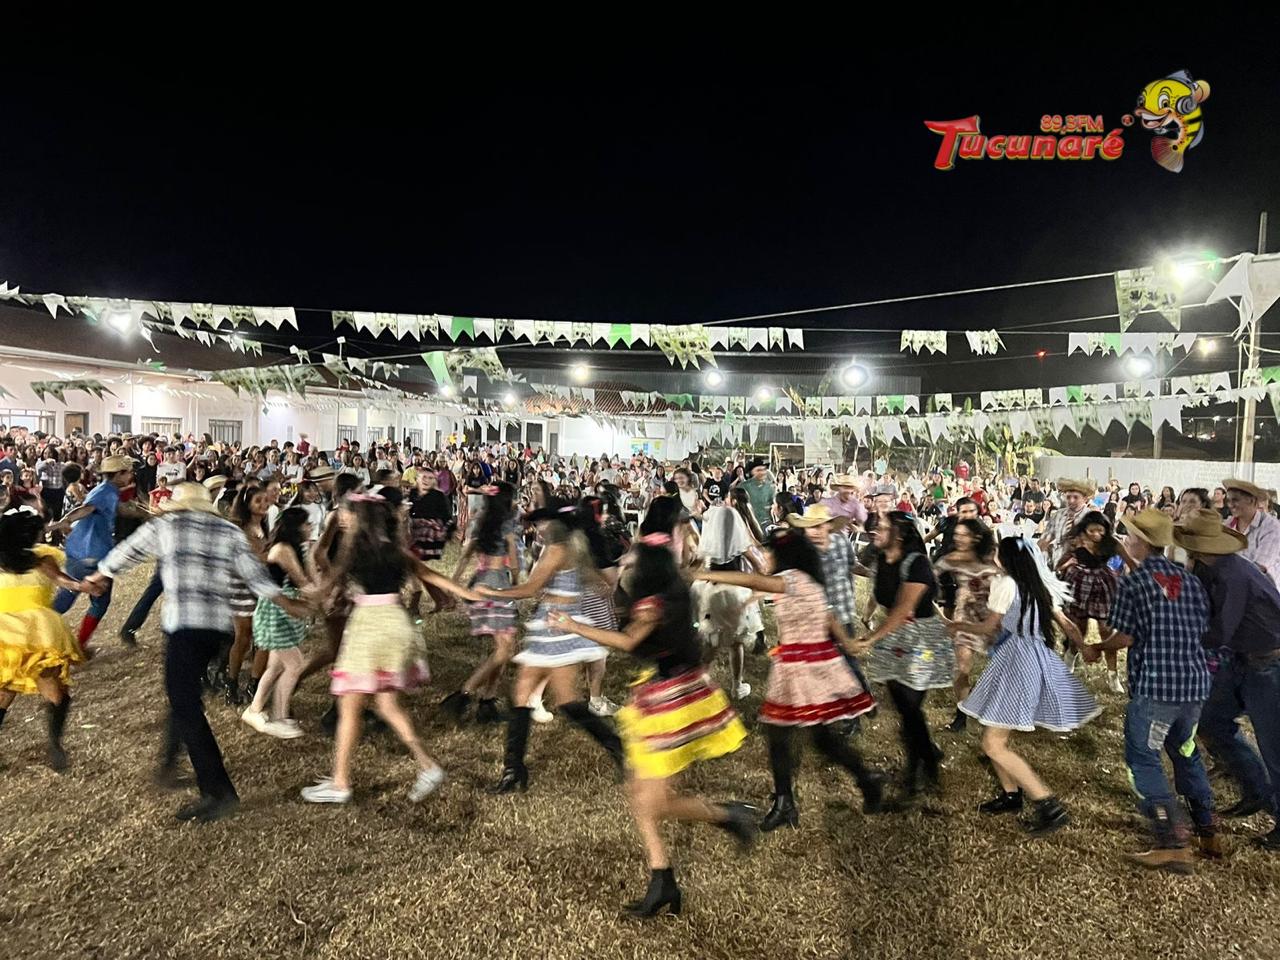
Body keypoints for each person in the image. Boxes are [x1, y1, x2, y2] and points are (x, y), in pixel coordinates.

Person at [549, 535, 753, 917]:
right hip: (671, 691)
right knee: (641, 797)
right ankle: (663, 879)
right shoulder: (672, 589)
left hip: (672, 702)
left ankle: (727, 817)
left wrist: (573, 625)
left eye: (632, 559)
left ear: (647, 569)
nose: (625, 561)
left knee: (649, 800)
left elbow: (627, 641)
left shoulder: (653, 604)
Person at [87, 483, 312, 822]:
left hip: (184, 625)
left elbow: (128, 552)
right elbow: (256, 576)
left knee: (186, 704)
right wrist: (287, 602)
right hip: (218, 630)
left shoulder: (167, 525)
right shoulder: (228, 531)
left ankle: (218, 792)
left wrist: (100, 574)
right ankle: (168, 763)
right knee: (184, 694)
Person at [695, 527, 882, 830]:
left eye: (769, 552)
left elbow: (752, 579)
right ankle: (851, 782)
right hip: (809, 663)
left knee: (790, 735)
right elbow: (828, 616)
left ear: (784, 556)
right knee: (809, 737)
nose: (764, 558)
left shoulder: (791, 580)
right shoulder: (809, 580)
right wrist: (847, 644)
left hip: (803, 666)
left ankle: (799, 800)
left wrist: (704, 574)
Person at [300, 495, 478, 805]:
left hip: (369, 627)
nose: (344, 518)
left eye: (349, 513)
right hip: (396, 624)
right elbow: (433, 577)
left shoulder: (353, 552)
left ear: (361, 519)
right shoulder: (396, 552)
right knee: (386, 704)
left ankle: (341, 782)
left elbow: (323, 589)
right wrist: (471, 595)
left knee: (350, 705)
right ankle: (428, 766)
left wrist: (294, 595)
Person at [1090, 509, 1217, 871]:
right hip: (1194, 685)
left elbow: (1125, 637)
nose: (1126, 540)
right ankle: (1207, 829)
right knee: (1185, 751)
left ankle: (1171, 841)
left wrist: (1099, 647)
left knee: (1143, 758)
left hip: (1157, 686)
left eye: (1130, 536)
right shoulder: (1190, 581)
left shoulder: (1134, 583)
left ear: (1141, 542)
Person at [950, 533, 1098, 835]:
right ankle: (1011, 795)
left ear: (1007, 559)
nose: (994, 557)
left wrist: (958, 625)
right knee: (994, 731)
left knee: (992, 743)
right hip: (1035, 658)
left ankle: (1049, 806)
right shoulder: (1038, 585)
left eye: (998, 553)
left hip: (1016, 661)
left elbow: (988, 627)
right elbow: (1067, 624)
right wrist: (1084, 647)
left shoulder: (1006, 584)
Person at [475, 504, 624, 794]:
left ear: (556, 524)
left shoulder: (558, 549)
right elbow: (595, 583)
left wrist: (492, 592)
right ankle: (513, 770)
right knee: (523, 697)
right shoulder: (573, 548)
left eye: (541, 523)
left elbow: (530, 589)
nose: (537, 528)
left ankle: (618, 748)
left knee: (565, 702)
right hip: (551, 626)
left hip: (558, 631)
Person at [1176, 509, 1280, 851]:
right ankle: (1256, 789)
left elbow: (1220, 630)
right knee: (1211, 721)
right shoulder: (1212, 567)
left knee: (1274, 746)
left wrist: (1178, 638)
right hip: (1243, 659)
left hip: (1268, 662)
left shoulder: (1231, 575)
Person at [860, 512, 954, 800]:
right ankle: (927, 752)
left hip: (921, 640)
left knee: (911, 706)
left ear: (899, 534)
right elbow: (883, 599)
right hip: (894, 639)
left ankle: (916, 772)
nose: (875, 530)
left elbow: (904, 609)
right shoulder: (882, 561)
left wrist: (871, 637)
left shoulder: (918, 563)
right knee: (903, 705)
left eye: (883, 527)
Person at [0, 503, 95, 770]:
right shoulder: (42, 559)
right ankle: (55, 745)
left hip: (5, 634)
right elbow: (67, 582)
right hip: (39, 633)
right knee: (57, 695)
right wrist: (87, 586)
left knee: (4, 693)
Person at [441, 482, 521, 723]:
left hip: (479, 583)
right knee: (505, 649)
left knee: (504, 648)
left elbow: (465, 556)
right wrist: (515, 586)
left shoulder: (480, 522)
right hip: (497, 587)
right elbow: (514, 564)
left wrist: (453, 585)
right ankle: (465, 693)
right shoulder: (506, 526)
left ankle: (488, 701)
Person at [241, 507, 317, 739]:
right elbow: (303, 581)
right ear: (296, 527)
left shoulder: (298, 547)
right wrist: (323, 596)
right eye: (307, 524)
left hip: (286, 611)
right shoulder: (282, 550)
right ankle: (279, 716)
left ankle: (254, 710)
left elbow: (310, 578)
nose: (311, 527)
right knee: (294, 665)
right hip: (276, 611)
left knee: (276, 667)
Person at [49, 454, 136, 653]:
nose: (131, 475)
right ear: (119, 474)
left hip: (77, 551)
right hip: (95, 555)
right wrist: (66, 520)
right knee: (100, 602)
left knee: (67, 595)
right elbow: (87, 509)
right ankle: (79, 646)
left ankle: (39, 628)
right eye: (128, 472)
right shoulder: (106, 491)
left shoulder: (106, 489)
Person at [691, 502, 764, 699]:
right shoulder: (740, 545)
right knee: (736, 642)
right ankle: (737, 686)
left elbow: (696, 566)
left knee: (710, 642)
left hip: (710, 592)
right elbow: (760, 566)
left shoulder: (708, 546)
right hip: (735, 593)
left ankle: (699, 685)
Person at [934, 518, 999, 733]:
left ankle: (994, 707)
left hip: (995, 614)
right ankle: (962, 714)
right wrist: (943, 619)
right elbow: (924, 583)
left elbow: (1012, 578)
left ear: (976, 538)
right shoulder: (950, 559)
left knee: (1002, 669)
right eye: (956, 535)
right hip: (966, 616)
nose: (958, 539)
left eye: (964, 535)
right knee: (962, 667)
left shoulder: (993, 555)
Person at [1056, 511, 1126, 691]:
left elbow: (1131, 562)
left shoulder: (1112, 542)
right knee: (1079, 627)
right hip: (1079, 583)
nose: (1096, 534)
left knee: (1107, 629)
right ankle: (1070, 660)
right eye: (1092, 530)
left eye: (1100, 531)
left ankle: (1113, 675)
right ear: (1084, 529)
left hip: (1103, 583)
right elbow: (1060, 562)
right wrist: (1066, 565)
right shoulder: (1075, 540)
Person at [1222, 477, 1280, 590]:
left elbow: (1260, 567)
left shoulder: (1271, 527)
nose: (1230, 505)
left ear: (1252, 501)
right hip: (1235, 588)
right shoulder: (1228, 525)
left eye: (1235, 500)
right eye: (1228, 501)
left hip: (1265, 591)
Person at [1039, 478, 1092, 568]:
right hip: (1057, 564)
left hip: (1082, 566)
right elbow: (1045, 540)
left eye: (1075, 497)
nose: (1071, 501)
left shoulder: (1091, 516)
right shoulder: (1058, 515)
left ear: (1084, 498)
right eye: (1068, 497)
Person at [740, 460, 775, 532]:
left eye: (764, 469)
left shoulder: (770, 486)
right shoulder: (744, 486)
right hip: (749, 524)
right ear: (752, 472)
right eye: (759, 470)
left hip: (767, 524)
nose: (762, 472)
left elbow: (773, 504)